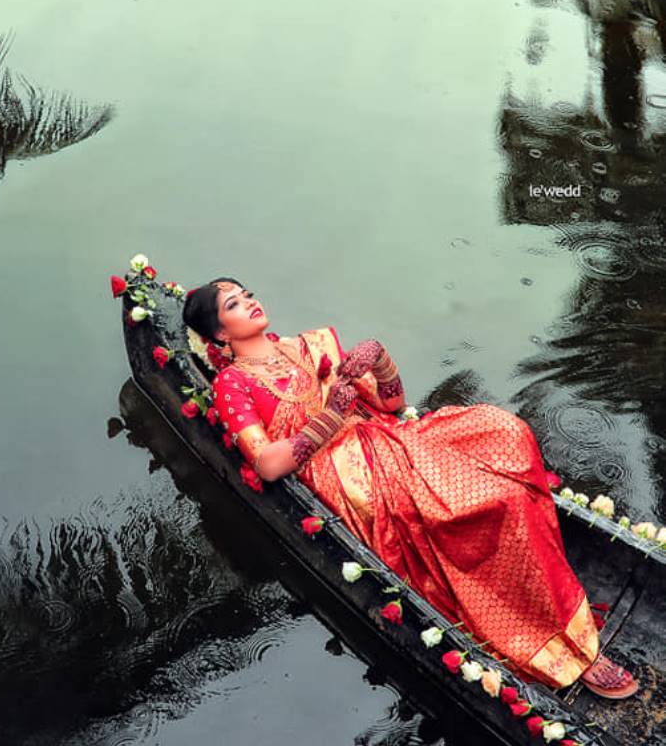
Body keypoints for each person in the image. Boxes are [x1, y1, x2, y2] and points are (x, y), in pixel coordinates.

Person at [181, 277, 639, 700]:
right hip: (342, 473)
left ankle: (547, 604)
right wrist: (331, 418)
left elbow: (392, 404)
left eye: (247, 293)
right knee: (495, 501)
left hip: (386, 439)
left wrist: (380, 359)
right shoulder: (232, 383)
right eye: (234, 304)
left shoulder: (309, 346)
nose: (251, 302)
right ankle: (554, 646)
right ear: (220, 334)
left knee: (506, 434)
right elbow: (266, 463)